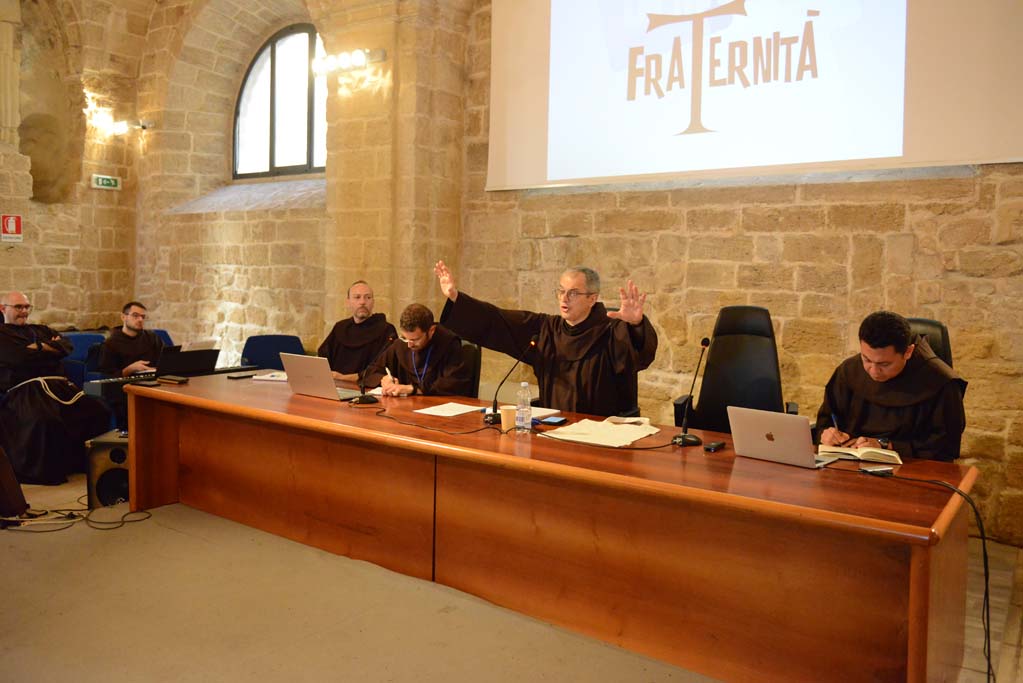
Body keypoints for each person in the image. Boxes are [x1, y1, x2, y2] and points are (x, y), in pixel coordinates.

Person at [433, 260, 658, 417]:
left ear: (592, 298)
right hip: (554, 427)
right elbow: (497, 319)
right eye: (561, 291)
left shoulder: (612, 330)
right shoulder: (546, 330)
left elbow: (641, 356)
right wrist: (456, 297)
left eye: (573, 293)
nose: (564, 298)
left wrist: (636, 325)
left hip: (605, 434)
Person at [816, 311, 967, 462]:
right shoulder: (849, 371)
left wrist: (885, 445)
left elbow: (945, 446)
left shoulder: (942, 382)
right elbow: (826, 421)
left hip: (912, 467)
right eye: (866, 359)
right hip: (848, 463)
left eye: (884, 364)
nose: (873, 371)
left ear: (908, 352)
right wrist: (827, 434)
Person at [0, 292, 110, 484]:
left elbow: (67, 347)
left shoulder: (41, 329)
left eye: (26, 307)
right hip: (26, 391)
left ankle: (83, 463)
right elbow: (19, 357)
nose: (24, 311)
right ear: (3, 308)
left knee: (99, 410)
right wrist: (50, 348)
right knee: (46, 419)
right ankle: (48, 472)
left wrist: (37, 348)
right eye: (18, 307)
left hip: (61, 387)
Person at [364, 303, 474, 397]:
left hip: (439, 407)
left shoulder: (448, 343)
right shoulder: (402, 344)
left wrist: (413, 389)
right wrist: (384, 379)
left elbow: (454, 383)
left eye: (415, 339)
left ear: (431, 331)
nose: (409, 345)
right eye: (405, 338)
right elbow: (371, 371)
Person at [317, 281, 397, 382]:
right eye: (357, 297)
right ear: (348, 302)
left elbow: (382, 369)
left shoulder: (386, 331)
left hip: (366, 387)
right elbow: (322, 358)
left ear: (373, 302)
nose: (362, 302)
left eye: (368, 297)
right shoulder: (340, 328)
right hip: (335, 385)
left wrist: (344, 378)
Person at [98, 301, 165, 377]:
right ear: (123, 317)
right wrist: (130, 369)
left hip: (153, 379)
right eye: (135, 315)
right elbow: (107, 377)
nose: (140, 319)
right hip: (126, 382)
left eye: (143, 317)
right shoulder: (110, 343)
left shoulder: (152, 337)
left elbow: (164, 361)